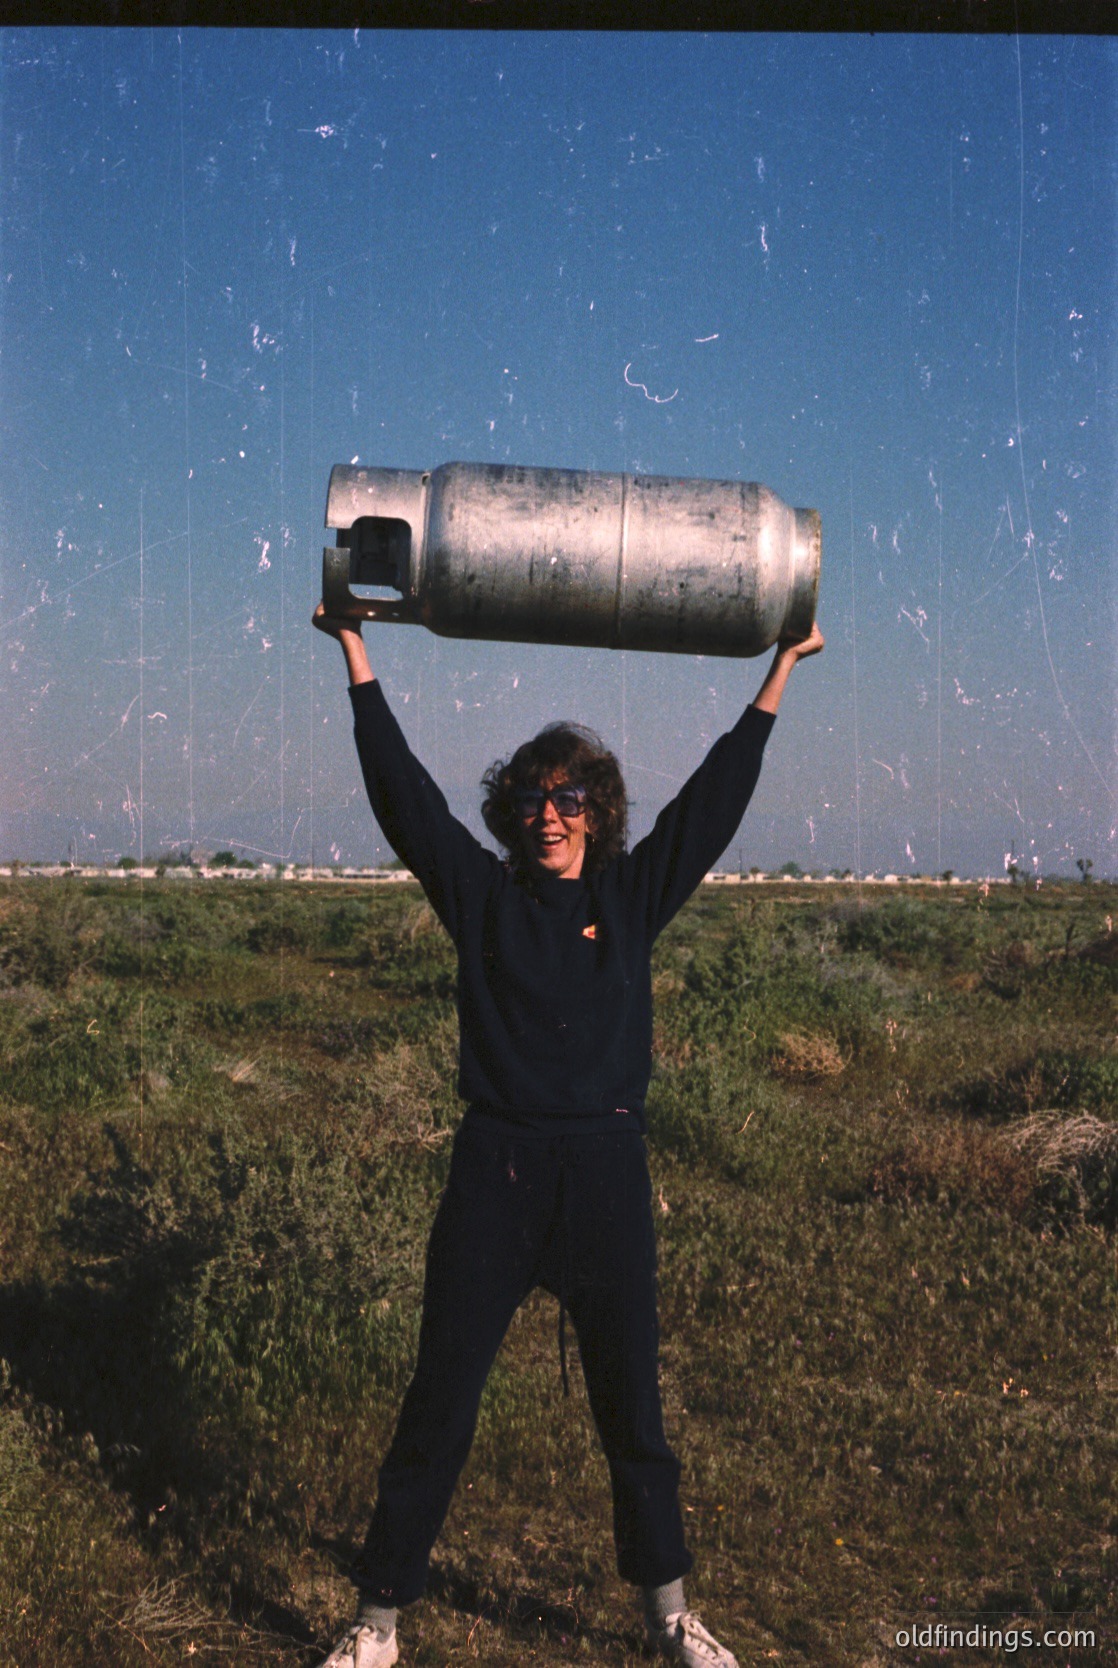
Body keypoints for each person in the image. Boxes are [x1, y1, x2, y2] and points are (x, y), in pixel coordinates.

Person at [311, 601, 824, 1668]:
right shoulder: (481, 897)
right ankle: (376, 1625)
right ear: (510, 815)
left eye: (570, 797)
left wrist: (779, 673)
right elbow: (402, 798)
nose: (549, 816)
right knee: (438, 1404)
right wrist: (356, 654)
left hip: (602, 1175)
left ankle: (670, 1617)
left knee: (631, 1414)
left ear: (596, 812)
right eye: (532, 800)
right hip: (494, 1172)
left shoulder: (631, 898)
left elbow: (709, 807)